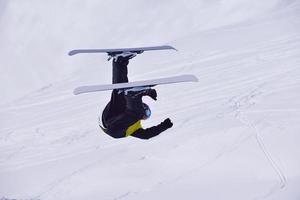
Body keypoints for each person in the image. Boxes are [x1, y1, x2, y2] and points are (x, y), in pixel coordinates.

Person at [100, 52, 173, 139]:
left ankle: (134, 94)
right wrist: (147, 92)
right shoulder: (127, 109)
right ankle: (119, 60)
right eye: (147, 111)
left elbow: (147, 135)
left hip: (112, 128)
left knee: (130, 103)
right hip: (112, 114)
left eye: (147, 114)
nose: (145, 114)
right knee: (120, 91)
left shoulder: (136, 127)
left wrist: (164, 126)